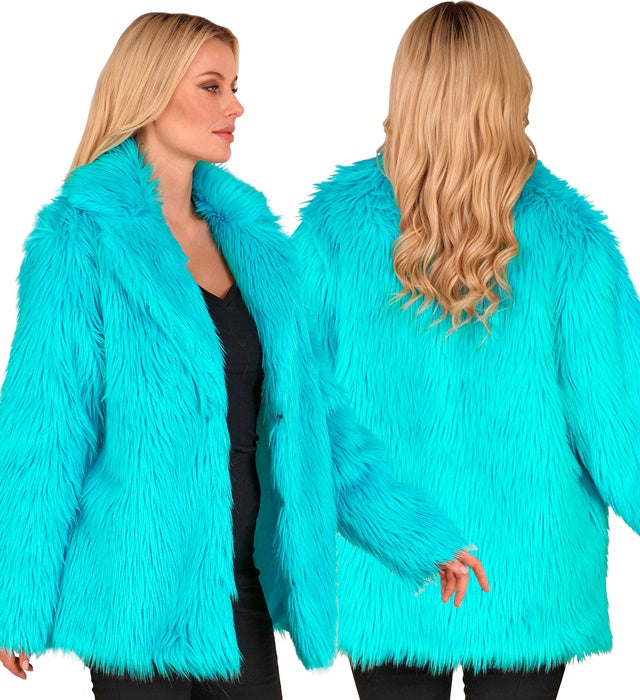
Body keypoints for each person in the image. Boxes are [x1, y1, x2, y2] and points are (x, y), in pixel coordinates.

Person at [0, 11, 489, 700]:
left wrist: (417, 537)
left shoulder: (255, 243)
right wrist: (16, 601)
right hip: (135, 596)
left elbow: (316, 424)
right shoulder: (79, 241)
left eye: (234, 86)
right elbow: (44, 434)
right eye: (212, 87)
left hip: (242, 585)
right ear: (149, 94)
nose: (235, 106)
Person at [293, 2, 640, 699]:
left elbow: (293, 405)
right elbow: (620, 427)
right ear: (511, 91)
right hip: (527, 573)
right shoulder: (573, 242)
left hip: (391, 565)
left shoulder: (331, 231)